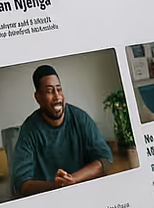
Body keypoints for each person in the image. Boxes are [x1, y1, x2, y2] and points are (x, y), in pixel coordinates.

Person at [11, 65, 113, 197]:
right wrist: (56, 186)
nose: (57, 96)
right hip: (49, 200)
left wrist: (73, 179)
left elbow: (105, 160)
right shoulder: (29, 130)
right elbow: (22, 184)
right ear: (38, 98)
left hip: (85, 194)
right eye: (49, 91)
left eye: (59, 89)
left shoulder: (81, 118)